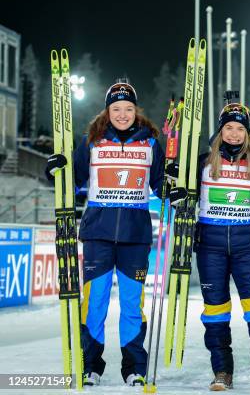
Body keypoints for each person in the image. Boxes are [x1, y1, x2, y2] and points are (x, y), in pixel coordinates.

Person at [46, 82, 165, 386]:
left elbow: (160, 185)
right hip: (98, 232)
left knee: (131, 303)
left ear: (135, 110)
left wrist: (173, 187)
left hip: (135, 236)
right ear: (107, 111)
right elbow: (72, 183)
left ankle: (134, 367)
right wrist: (55, 170)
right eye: (116, 109)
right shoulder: (91, 141)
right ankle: (90, 365)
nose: (122, 114)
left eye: (128, 108)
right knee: (94, 300)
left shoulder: (150, 143)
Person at [170, 103, 250, 392]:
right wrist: (175, 188)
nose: (234, 134)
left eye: (240, 128)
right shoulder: (202, 162)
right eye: (229, 128)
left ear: (247, 133)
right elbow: (184, 198)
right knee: (216, 310)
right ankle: (222, 371)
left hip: (246, 245)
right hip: (210, 245)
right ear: (220, 131)